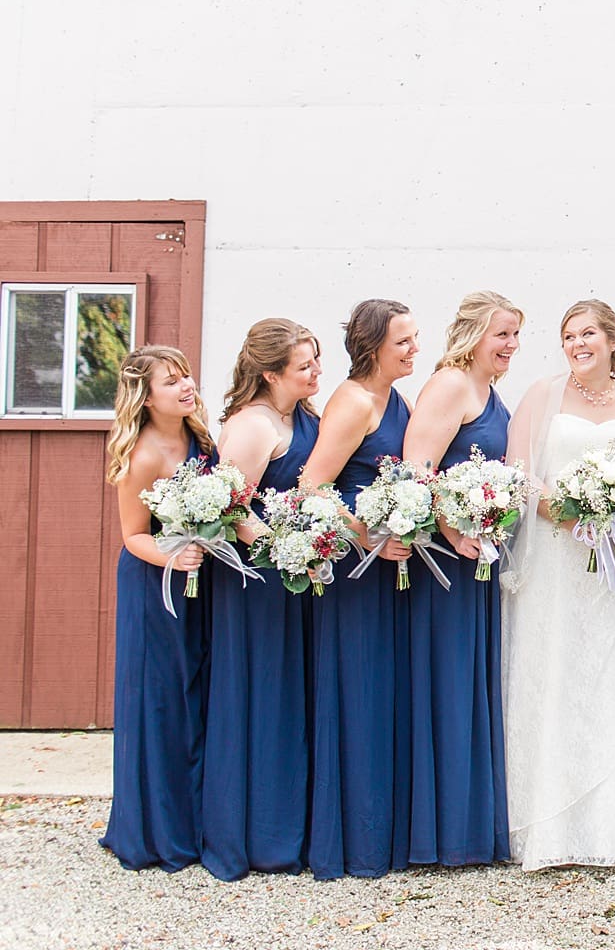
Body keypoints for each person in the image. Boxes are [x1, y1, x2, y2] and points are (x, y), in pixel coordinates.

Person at [498, 299, 615, 870]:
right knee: (552, 668)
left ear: (612, 339)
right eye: (568, 335)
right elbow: (517, 473)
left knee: (605, 671)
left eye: (588, 333)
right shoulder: (542, 394)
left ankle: (610, 823)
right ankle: (548, 822)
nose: (577, 344)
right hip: (554, 557)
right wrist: (571, 517)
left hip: (608, 565)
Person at [299, 299, 419, 879]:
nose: (414, 350)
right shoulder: (352, 402)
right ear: (373, 347)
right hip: (356, 576)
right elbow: (313, 485)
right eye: (403, 342)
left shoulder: (396, 398)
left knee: (385, 695)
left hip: (391, 569)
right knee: (359, 694)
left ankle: (387, 831)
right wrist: (369, 536)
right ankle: (353, 840)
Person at [402, 290, 522, 868]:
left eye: (516, 335)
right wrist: (452, 530)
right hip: (445, 565)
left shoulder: (488, 389)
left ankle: (470, 822)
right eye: (503, 334)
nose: (511, 346)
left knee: (471, 683)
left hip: (479, 557)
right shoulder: (450, 384)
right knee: (447, 684)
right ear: (474, 333)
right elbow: (416, 470)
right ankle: (442, 828)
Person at [202, 319, 322, 881]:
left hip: (300, 575)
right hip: (260, 581)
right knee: (264, 695)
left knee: (296, 697)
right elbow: (229, 504)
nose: (316, 372)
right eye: (304, 366)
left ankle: (292, 828)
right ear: (271, 373)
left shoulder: (301, 416)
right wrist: (284, 547)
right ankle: (257, 834)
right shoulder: (251, 426)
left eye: (316, 360)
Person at [100, 345, 213, 872]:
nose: (186, 386)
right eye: (172, 382)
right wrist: (175, 554)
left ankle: (197, 820)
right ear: (146, 398)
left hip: (201, 584)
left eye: (186, 375)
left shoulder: (200, 439)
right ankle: (154, 829)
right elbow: (131, 537)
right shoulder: (142, 454)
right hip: (155, 587)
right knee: (160, 701)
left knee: (197, 696)